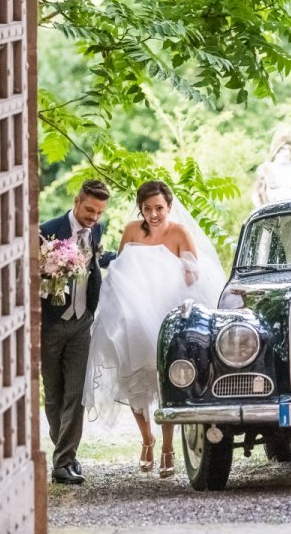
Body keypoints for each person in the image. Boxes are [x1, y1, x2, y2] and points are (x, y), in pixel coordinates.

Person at [82, 181, 225, 478]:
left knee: (166, 381)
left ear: (169, 207)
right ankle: (147, 437)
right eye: (147, 209)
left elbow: (193, 274)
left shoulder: (179, 232)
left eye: (159, 208)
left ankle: (168, 446)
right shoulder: (132, 230)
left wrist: (186, 271)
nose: (153, 215)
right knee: (132, 378)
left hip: (163, 315)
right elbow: (122, 271)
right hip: (134, 317)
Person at [40, 179, 114, 485]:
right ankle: (64, 454)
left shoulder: (96, 230)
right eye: (89, 210)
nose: (94, 217)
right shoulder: (47, 231)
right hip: (50, 323)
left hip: (83, 322)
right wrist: (50, 270)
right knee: (54, 395)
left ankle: (64, 461)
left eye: (99, 212)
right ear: (76, 201)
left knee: (76, 394)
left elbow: (97, 263)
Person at [251, 123, 291, 206]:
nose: (286, 153)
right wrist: (263, 213)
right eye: (283, 149)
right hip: (272, 214)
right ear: (276, 149)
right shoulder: (266, 169)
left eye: (290, 149)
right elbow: (256, 195)